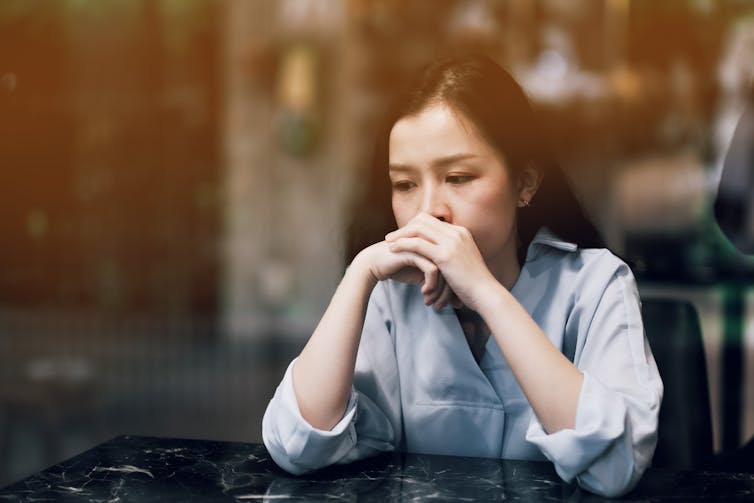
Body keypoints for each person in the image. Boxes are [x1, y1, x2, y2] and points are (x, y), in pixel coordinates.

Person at [262, 55, 663, 498]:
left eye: (458, 177)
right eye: (404, 184)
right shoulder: (392, 296)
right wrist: (361, 272)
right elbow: (297, 446)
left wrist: (486, 293)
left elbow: (616, 465)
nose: (429, 209)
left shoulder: (596, 283)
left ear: (525, 183)